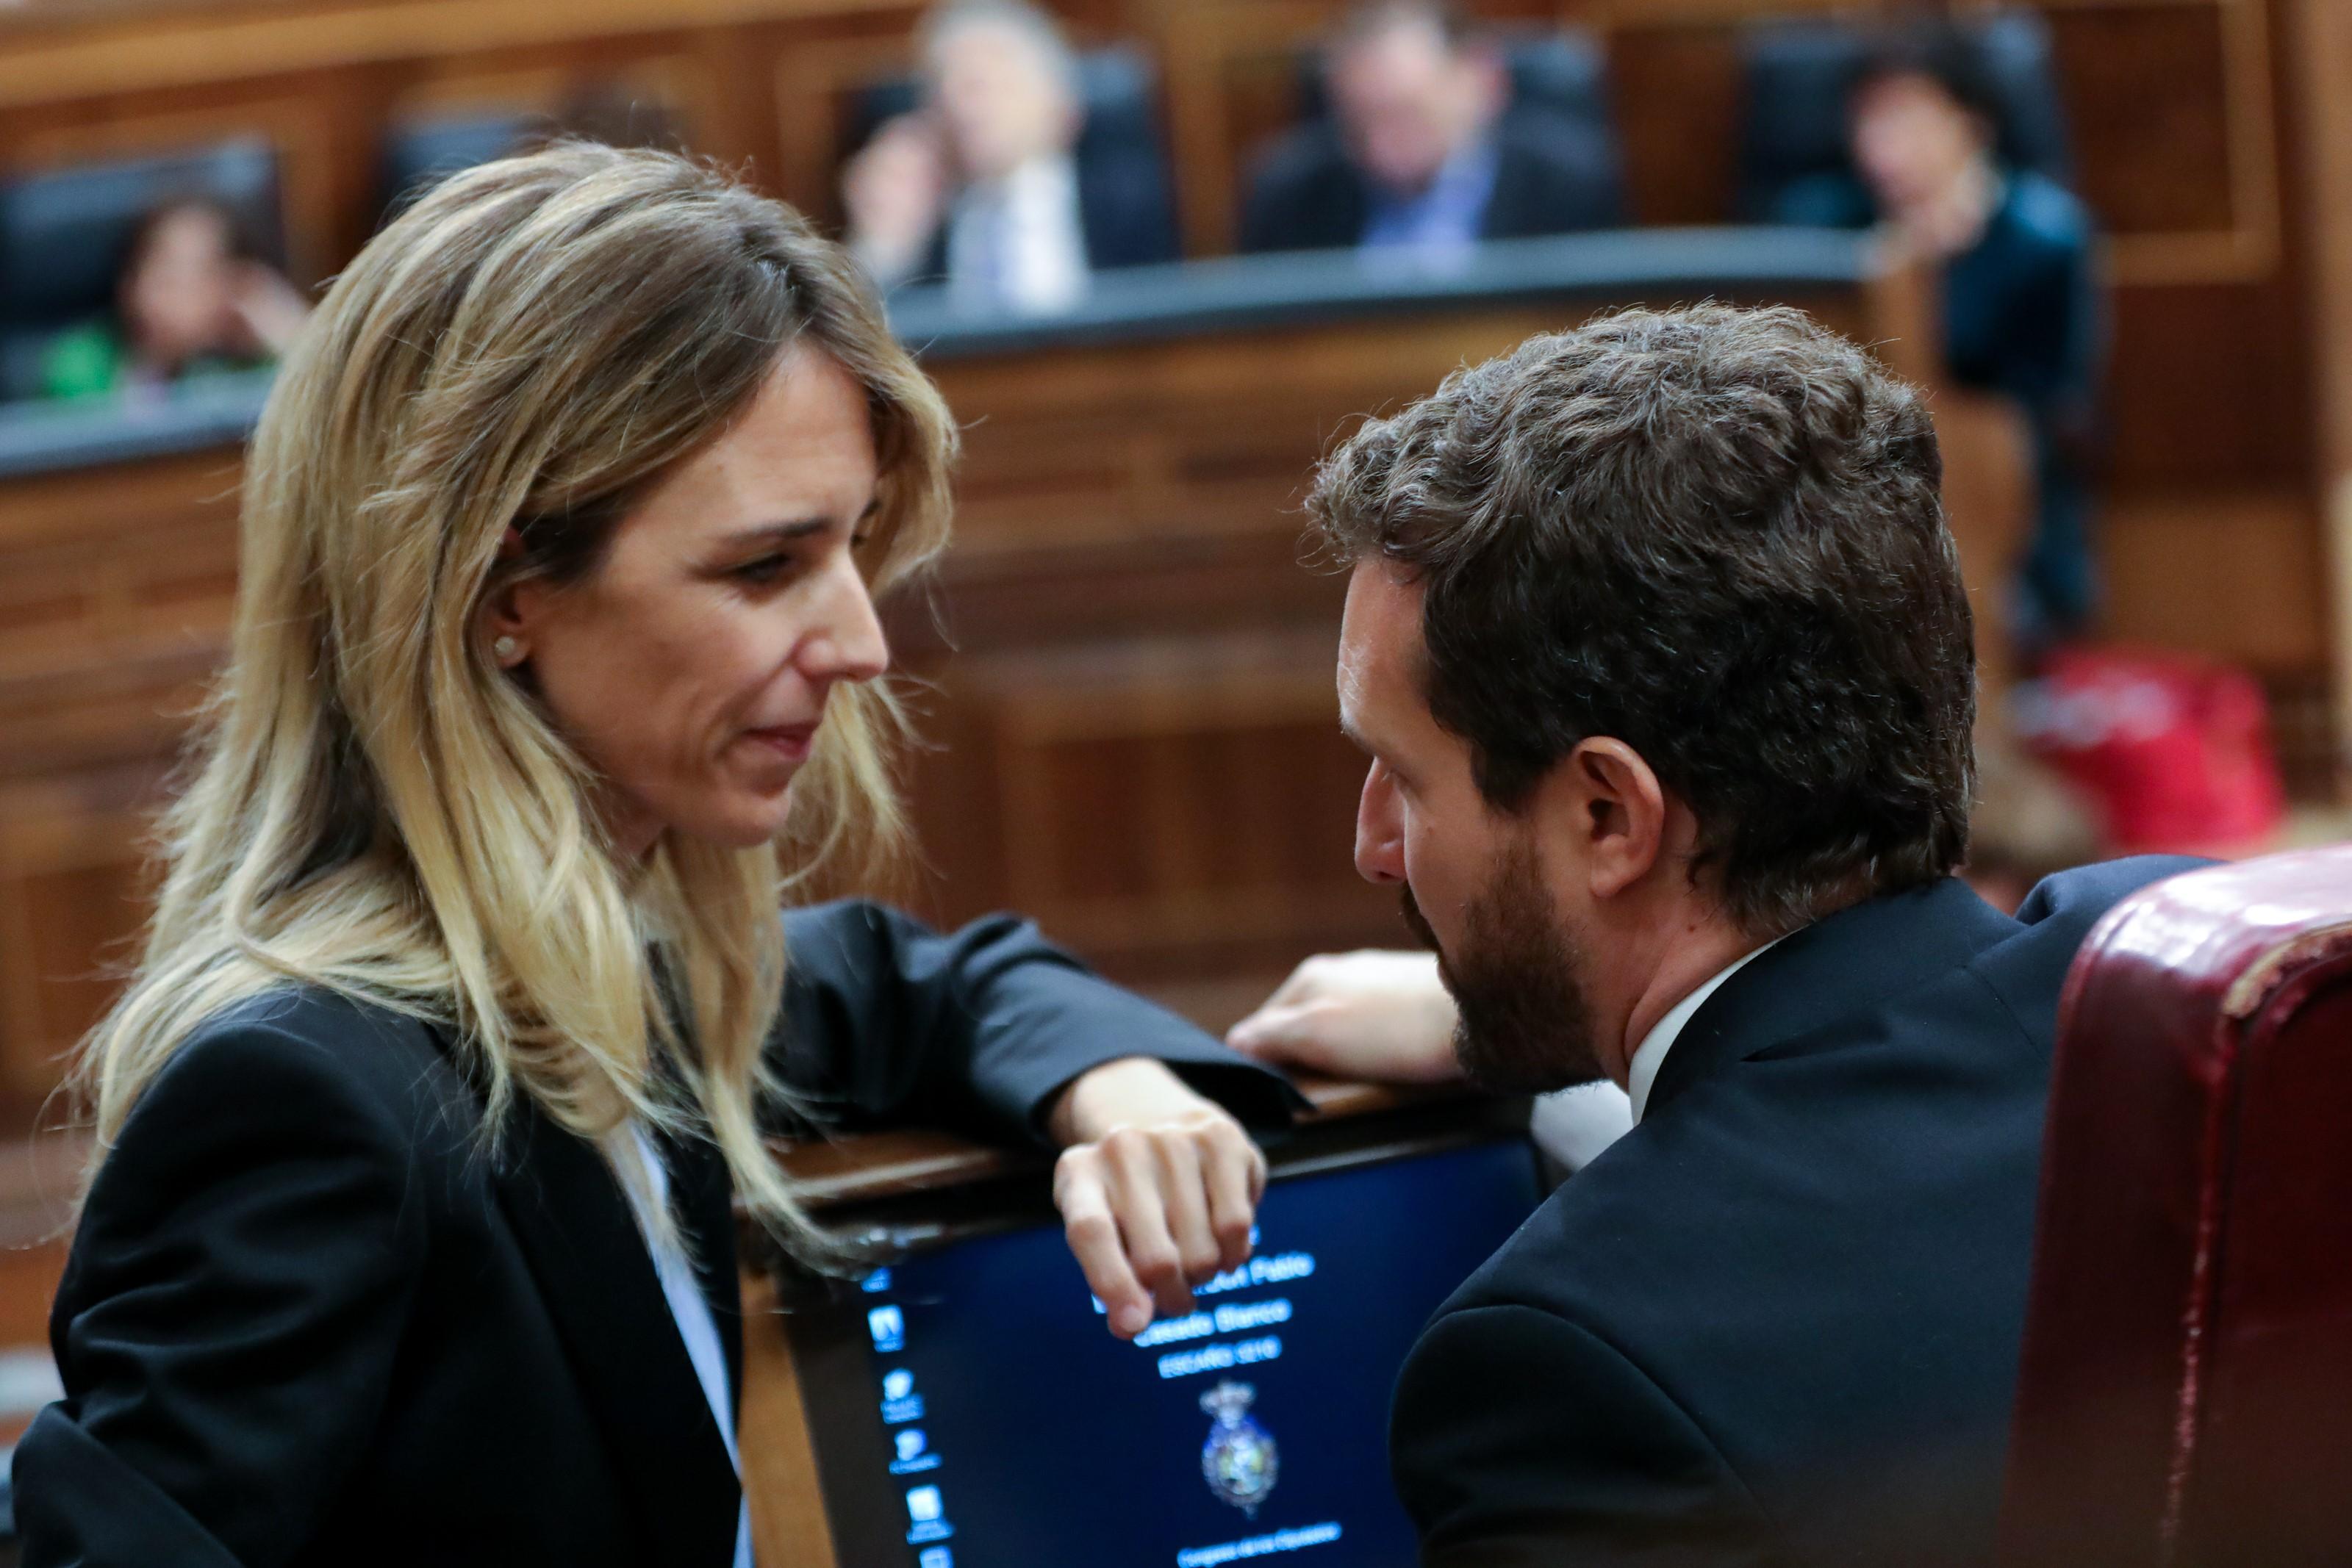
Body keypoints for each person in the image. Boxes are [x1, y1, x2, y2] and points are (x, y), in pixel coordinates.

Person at [12, 143, 1293, 1567]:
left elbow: (926, 981)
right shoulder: (308, 1095)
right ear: (501, 595)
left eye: (858, 544)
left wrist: (1116, 1090)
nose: (864, 642)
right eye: (764, 567)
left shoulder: (602, 973)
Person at [1230, 303, 2198, 1565]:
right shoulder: (2207, 986)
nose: (1374, 846)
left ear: (1607, 813)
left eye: (1403, 778)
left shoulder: (1572, 1365)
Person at [1776, 26, 2102, 649]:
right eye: (1869, 120)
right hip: (1842, 491)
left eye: (1911, 118)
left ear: (1971, 122)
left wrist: (1927, 278)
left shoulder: (2040, 240)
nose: (1884, 145)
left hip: (1995, 499)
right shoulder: (1821, 228)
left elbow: (2047, 401)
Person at [840, 0, 1177, 312]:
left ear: (1061, 104)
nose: (966, 102)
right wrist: (883, 248)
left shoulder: (1127, 199)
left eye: (993, 79)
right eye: (947, 81)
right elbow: (866, 344)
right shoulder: (920, 220)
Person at [1237, 1, 1622, 267]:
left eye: (1408, 115)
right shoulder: (1289, 197)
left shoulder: (1568, 185)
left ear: (1484, 82)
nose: (1382, 147)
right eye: (1360, 123)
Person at [39, 193, 311, 403]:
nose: (181, 293)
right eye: (167, 272)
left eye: (201, 273)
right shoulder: (81, 365)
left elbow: (319, 399)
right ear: (130, 282)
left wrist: (282, 328)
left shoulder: (251, 366)